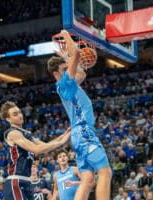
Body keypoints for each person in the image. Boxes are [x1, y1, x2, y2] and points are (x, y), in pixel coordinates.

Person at [47, 29, 112, 200]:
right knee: (105, 172)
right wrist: (66, 33)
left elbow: (82, 73)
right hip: (83, 132)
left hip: (79, 133)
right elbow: (76, 53)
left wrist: (66, 58)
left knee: (88, 179)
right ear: (56, 73)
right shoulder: (64, 84)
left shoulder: (67, 84)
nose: (68, 68)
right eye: (64, 68)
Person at [0, 101, 71, 200]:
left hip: (26, 182)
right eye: (15, 114)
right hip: (16, 181)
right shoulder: (13, 133)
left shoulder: (25, 133)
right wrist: (61, 142)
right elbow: (36, 150)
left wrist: (64, 135)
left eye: (19, 112)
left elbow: (45, 146)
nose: (19, 115)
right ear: (8, 119)